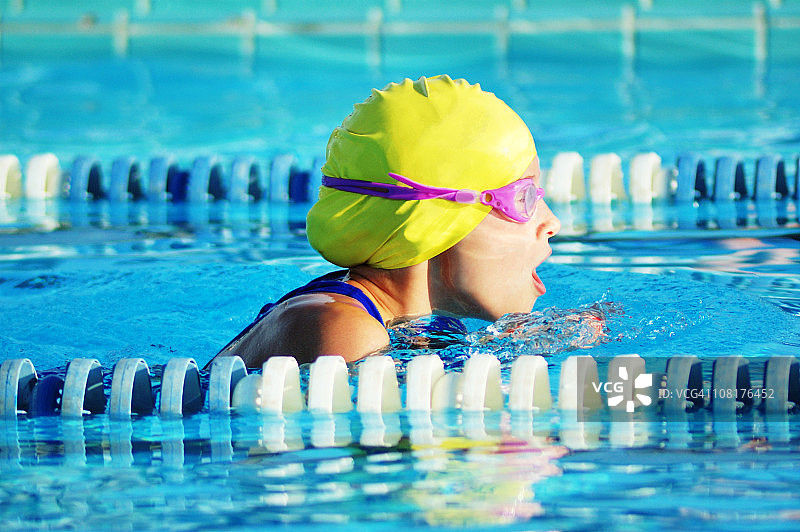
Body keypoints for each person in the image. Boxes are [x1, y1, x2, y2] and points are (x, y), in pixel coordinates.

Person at [212, 75, 560, 367]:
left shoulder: (419, 323)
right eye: (523, 198)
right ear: (432, 219)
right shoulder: (344, 330)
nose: (552, 223)